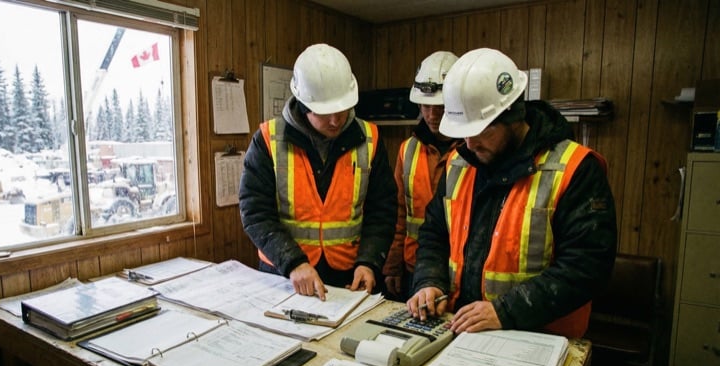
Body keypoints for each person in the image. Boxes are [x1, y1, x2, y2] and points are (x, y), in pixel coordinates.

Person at [407, 48, 617, 338]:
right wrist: (429, 281)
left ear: (514, 116)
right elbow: (434, 234)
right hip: (461, 328)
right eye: (463, 132)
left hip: (540, 337)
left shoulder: (575, 169)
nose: (470, 143)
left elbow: (586, 267)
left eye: (481, 130)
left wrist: (505, 311)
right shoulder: (460, 163)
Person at [239, 43, 397, 301]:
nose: (336, 120)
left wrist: (369, 261)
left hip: (349, 280)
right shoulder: (268, 140)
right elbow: (255, 213)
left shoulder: (370, 139)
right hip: (284, 276)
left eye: (342, 109)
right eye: (325, 113)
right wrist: (293, 262)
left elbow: (383, 211)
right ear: (303, 104)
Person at [383, 51, 464, 302]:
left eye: (439, 107)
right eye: (425, 106)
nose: (431, 114)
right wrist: (393, 264)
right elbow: (399, 213)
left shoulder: (475, 152)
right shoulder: (408, 149)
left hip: (460, 274)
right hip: (414, 268)